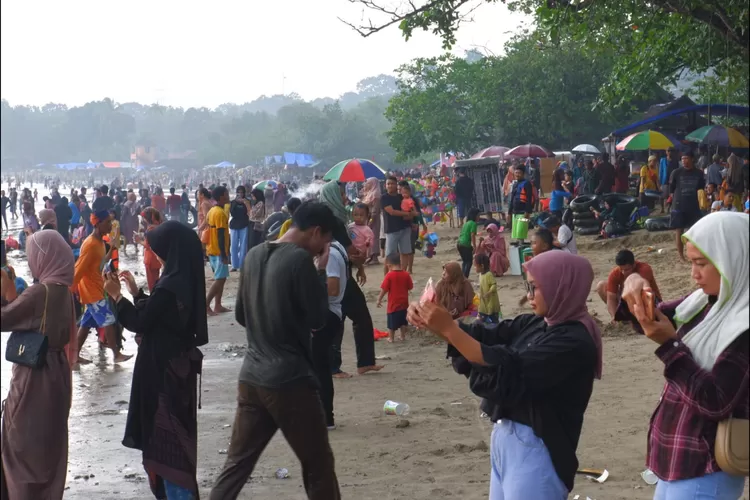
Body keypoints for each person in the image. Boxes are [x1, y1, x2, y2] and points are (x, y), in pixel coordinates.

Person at [408, 251, 601, 499]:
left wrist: (447, 328)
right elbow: (484, 337)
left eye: (534, 288)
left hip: (539, 452)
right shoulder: (536, 324)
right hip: (506, 442)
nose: (528, 296)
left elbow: (508, 369)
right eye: (526, 286)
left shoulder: (574, 342)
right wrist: (431, 320)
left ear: (560, 286)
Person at [209, 201, 341, 500]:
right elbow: (319, 319)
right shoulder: (300, 261)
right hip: (290, 379)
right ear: (316, 232)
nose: (324, 248)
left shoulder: (254, 254)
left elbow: (242, 315)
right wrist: (319, 271)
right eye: (325, 241)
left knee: (236, 465)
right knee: (318, 465)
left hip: (252, 376)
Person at [621, 212, 748, 499]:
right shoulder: (706, 303)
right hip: (677, 462)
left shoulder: (743, 324)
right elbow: (653, 318)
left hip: (705, 469)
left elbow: (716, 401)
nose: (694, 274)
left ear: (733, 260)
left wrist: (670, 346)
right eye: (691, 262)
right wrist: (634, 283)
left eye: (702, 263)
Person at [104, 221, 208, 500]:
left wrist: (118, 298)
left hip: (164, 374)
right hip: (176, 370)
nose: (156, 255)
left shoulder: (170, 284)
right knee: (177, 443)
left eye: (158, 249)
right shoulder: (182, 279)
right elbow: (162, 316)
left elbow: (141, 322)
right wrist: (137, 293)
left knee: (167, 446)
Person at [0, 231, 77, 500]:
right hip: (58, 377)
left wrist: (5, 289)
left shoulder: (38, 292)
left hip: (34, 381)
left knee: (21, 455)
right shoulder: (64, 292)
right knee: (48, 453)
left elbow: (5, 319)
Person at [73, 210, 132, 365]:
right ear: (97, 224)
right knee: (108, 320)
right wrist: (70, 290)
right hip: (91, 291)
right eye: (107, 222)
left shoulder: (100, 242)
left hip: (97, 288)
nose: (110, 226)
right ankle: (116, 354)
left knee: (85, 325)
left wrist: (112, 247)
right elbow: (78, 269)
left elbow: (100, 264)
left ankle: (74, 357)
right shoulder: (91, 244)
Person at [314, 238, 348, 430]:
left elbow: (333, 289)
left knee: (319, 367)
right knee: (318, 366)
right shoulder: (334, 250)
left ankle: (326, 417)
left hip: (327, 314)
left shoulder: (332, 256)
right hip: (327, 313)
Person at [596, 249, 662, 324]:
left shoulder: (644, 269)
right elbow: (610, 299)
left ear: (634, 265)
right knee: (602, 286)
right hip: (628, 301)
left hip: (649, 301)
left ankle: (639, 318)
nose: (623, 272)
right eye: (621, 269)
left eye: (627, 270)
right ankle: (623, 319)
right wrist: (614, 316)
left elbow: (643, 291)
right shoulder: (615, 273)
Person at [670, 152, 705, 260]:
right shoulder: (676, 172)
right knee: (679, 231)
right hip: (678, 205)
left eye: (686, 158)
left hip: (693, 205)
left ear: (692, 159)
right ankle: (681, 256)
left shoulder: (699, 173)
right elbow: (671, 190)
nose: (684, 161)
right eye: (682, 158)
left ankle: (693, 253)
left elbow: (701, 189)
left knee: (694, 231)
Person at [380, 176, 416, 274]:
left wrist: (411, 220)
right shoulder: (384, 198)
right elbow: (391, 212)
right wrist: (407, 214)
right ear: (385, 186)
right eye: (388, 184)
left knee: (405, 253)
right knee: (389, 255)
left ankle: (402, 275)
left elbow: (409, 207)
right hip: (391, 230)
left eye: (392, 183)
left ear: (396, 185)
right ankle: (386, 277)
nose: (390, 185)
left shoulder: (401, 197)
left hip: (404, 228)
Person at [206, 186, 231, 315]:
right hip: (218, 250)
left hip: (211, 249)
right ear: (221, 197)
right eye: (227, 194)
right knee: (220, 279)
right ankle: (206, 304)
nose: (228, 196)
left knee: (221, 277)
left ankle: (218, 305)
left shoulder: (212, 211)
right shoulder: (220, 213)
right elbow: (221, 234)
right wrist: (224, 253)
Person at [377, 252, 413, 342]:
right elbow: (410, 287)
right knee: (403, 321)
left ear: (389, 265)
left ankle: (391, 338)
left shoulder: (389, 276)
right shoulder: (406, 274)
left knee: (391, 323)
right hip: (404, 303)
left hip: (393, 304)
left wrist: (379, 299)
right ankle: (402, 336)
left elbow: (384, 289)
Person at [138, 207, 164, 292]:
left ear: (147, 218)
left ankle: (153, 299)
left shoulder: (150, 229)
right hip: (157, 258)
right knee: (156, 280)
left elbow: (148, 245)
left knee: (151, 283)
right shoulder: (158, 225)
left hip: (150, 258)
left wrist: (139, 241)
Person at [228, 186, 251, 271]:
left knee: (243, 246)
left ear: (244, 193)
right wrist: (235, 203)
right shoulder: (233, 202)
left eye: (242, 192)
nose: (240, 194)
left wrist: (245, 203)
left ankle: (241, 265)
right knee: (233, 246)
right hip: (234, 225)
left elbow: (249, 212)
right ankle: (234, 265)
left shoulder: (247, 201)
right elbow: (232, 213)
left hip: (244, 224)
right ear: (236, 193)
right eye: (239, 192)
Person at [474, 253, 501, 324]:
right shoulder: (480, 275)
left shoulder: (489, 275)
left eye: (475, 266)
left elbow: (494, 285)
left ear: (482, 266)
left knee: (493, 318)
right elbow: (482, 283)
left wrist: (489, 292)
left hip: (491, 300)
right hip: (483, 300)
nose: (474, 268)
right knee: (482, 314)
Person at [360, 177, 382, 264]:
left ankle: (375, 257)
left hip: (373, 219)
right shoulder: (369, 194)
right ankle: (370, 256)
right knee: (368, 237)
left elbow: (375, 211)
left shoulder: (376, 195)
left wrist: (371, 221)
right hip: (367, 218)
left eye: (368, 183)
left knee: (374, 237)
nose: (366, 185)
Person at [508, 168, 534, 233]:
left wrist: (527, 212)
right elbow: (512, 199)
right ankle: (518, 242)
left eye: (519, 173)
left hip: (523, 211)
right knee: (515, 231)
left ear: (523, 174)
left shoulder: (527, 184)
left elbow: (529, 198)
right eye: (516, 173)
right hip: (515, 211)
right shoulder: (515, 184)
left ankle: (521, 242)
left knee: (522, 229)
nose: (517, 175)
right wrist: (509, 212)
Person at [457, 208, 480, 277]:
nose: (479, 217)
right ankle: (465, 278)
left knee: (465, 261)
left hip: (459, 243)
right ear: (474, 216)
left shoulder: (466, 223)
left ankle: (462, 277)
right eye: (478, 215)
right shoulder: (473, 224)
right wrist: (474, 246)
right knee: (469, 261)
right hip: (465, 244)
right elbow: (472, 235)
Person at [660, 148, 679, 213]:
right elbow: (661, 171)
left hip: (672, 180)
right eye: (668, 151)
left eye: (671, 151)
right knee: (662, 195)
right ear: (666, 152)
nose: (669, 152)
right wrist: (660, 181)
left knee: (671, 195)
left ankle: (668, 208)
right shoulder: (663, 160)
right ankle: (662, 208)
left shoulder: (675, 161)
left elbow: (677, 171)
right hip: (664, 180)